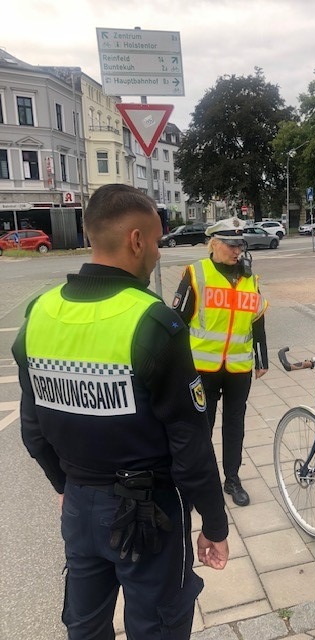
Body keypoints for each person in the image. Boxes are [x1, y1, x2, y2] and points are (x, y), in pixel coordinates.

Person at [12, 184, 229, 640]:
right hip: (148, 515)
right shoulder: (152, 323)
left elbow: (33, 432)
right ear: (135, 240)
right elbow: (190, 444)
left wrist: (65, 485)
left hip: (79, 504)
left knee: (86, 626)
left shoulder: (40, 314)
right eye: (154, 242)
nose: (156, 253)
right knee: (158, 625)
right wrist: (214, 522)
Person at [172, 217, 268, 507]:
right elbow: (177, 321)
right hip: (203, 368)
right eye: (230, 244)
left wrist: (261, 359)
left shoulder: (250, 278)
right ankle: (203, 479)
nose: (236, 250)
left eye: (240, 245)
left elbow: (257, 320)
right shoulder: (196, 273)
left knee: (234, 425)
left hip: (239, 368)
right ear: (213, 243)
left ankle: (233, 478)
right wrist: (176, 366)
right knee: (203, 426)